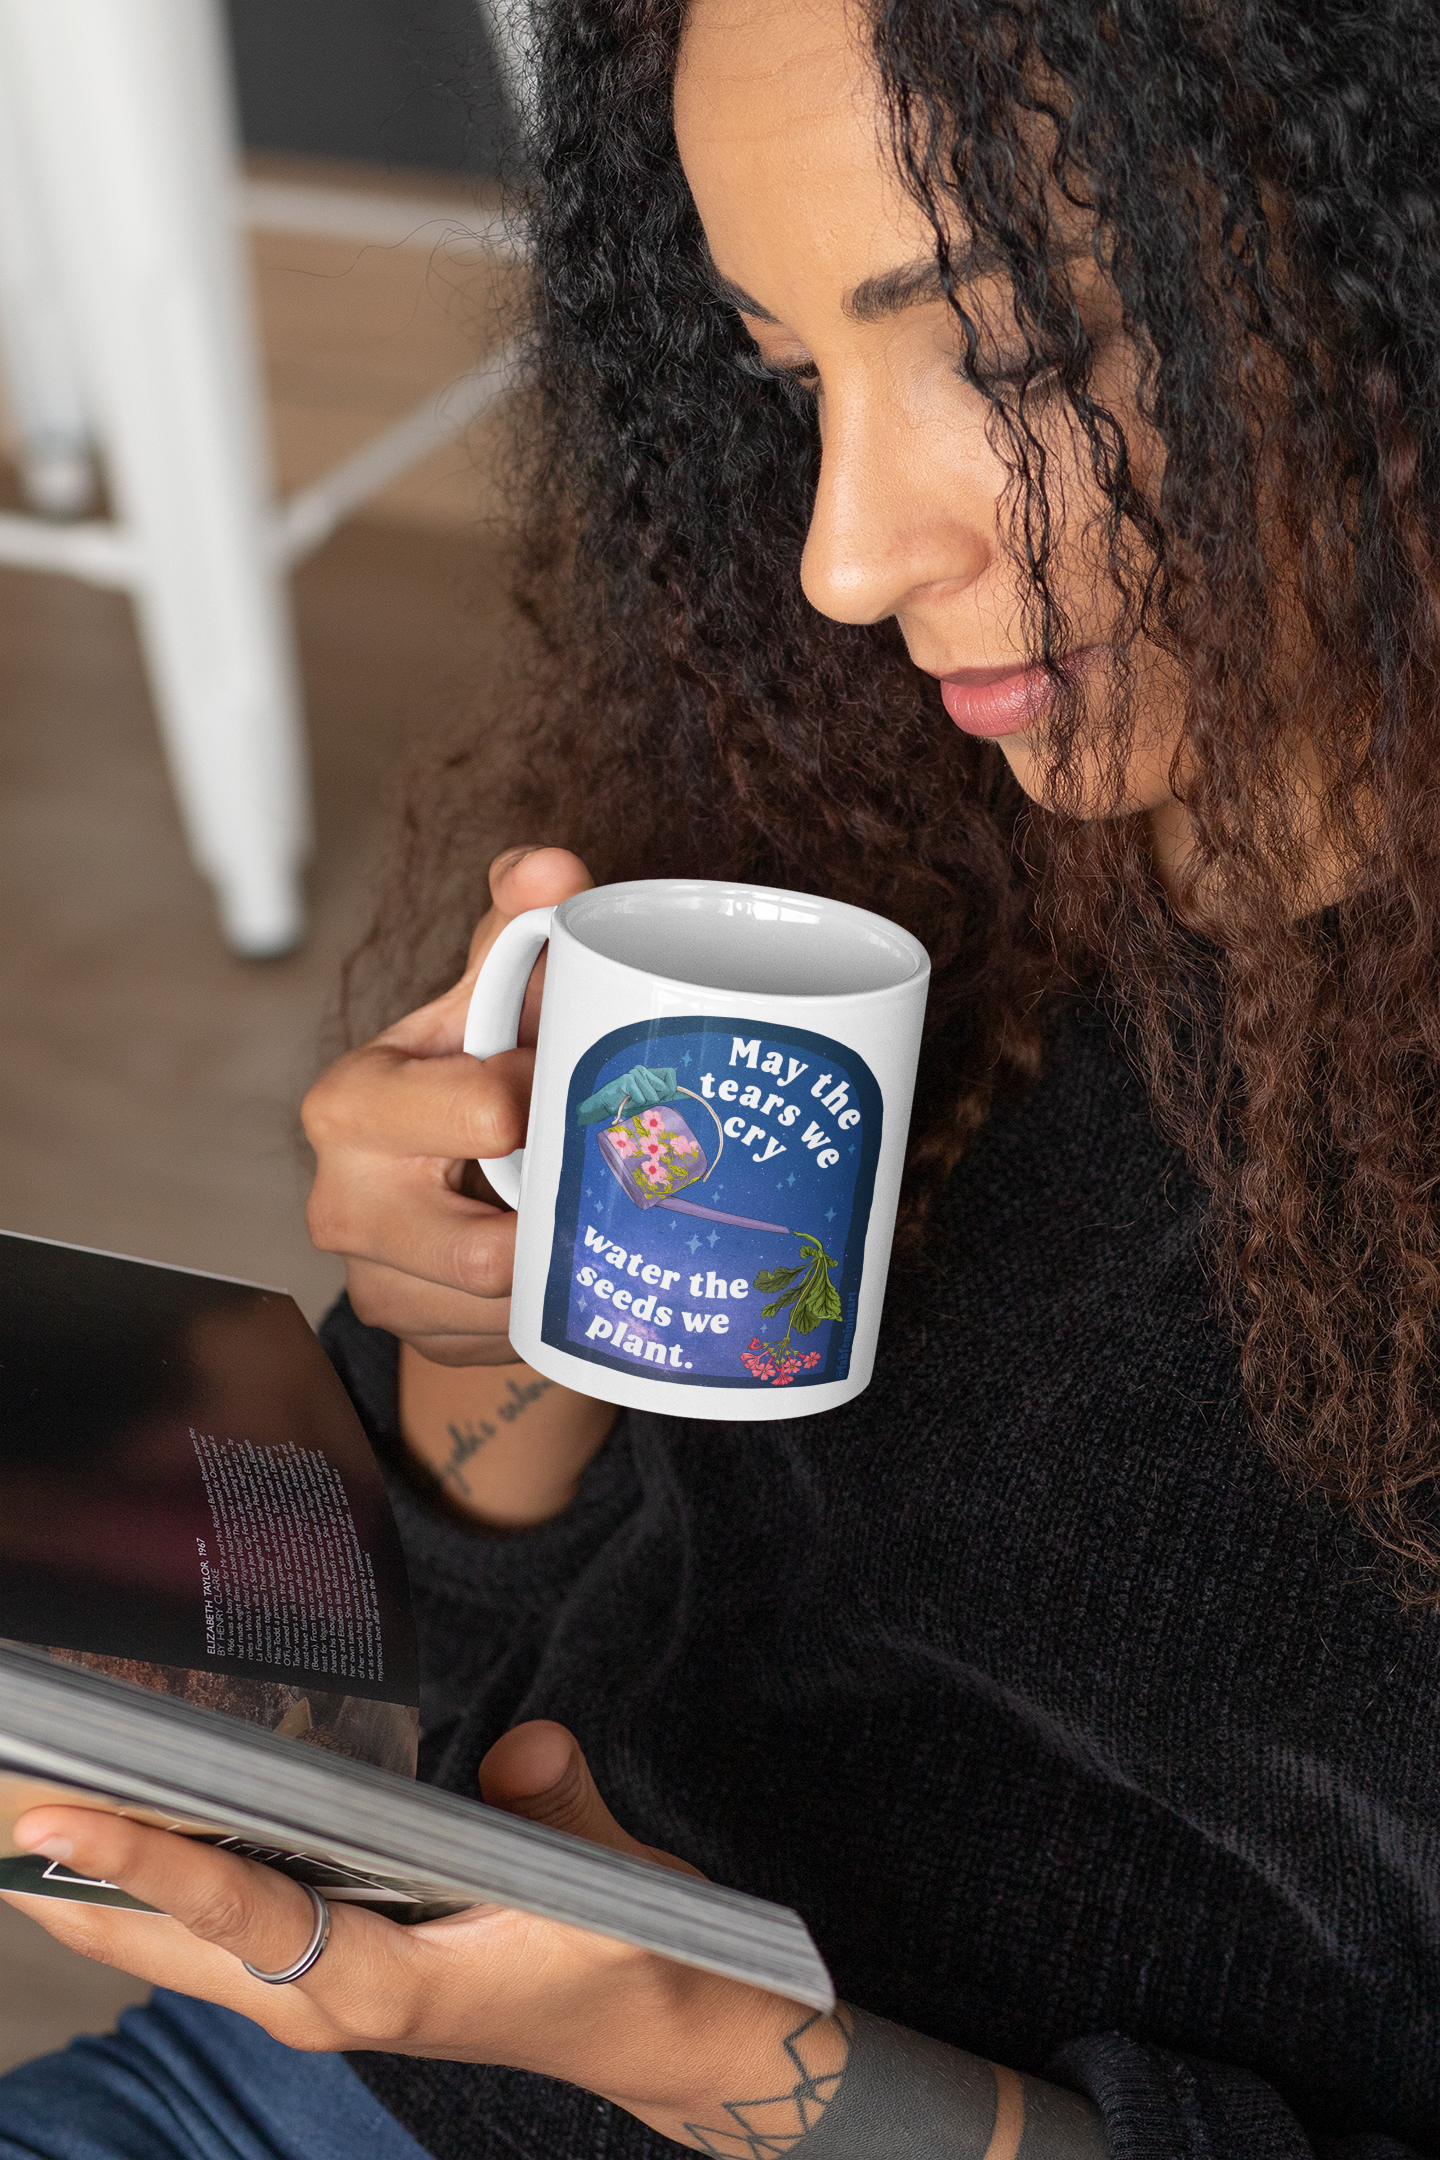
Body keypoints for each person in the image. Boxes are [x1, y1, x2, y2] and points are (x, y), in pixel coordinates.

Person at [3, 0, 1439, 2153]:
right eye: (786, 377)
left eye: (1019, 355)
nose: (844, 561)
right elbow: (448, 1675)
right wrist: (478, 1354)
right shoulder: (870, 821)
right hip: (343, 2085)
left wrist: (708, 2055)